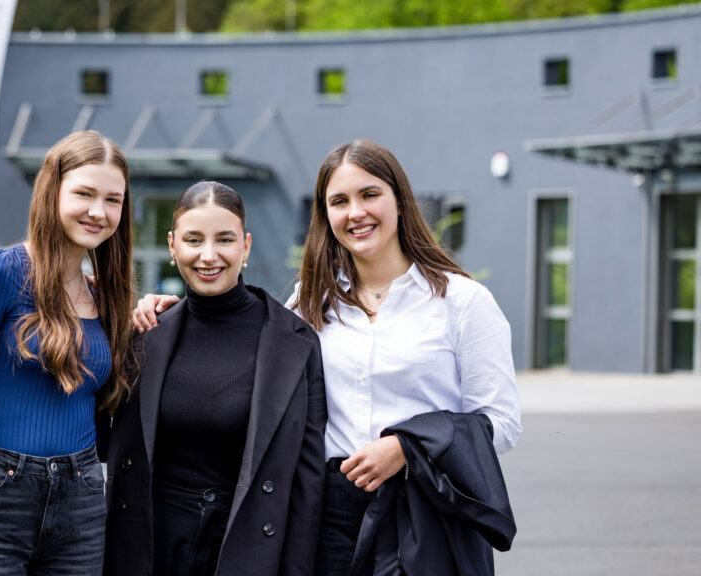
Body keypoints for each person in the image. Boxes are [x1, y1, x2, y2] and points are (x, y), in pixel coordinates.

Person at [133, 140, 521, 575]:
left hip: (424, 506)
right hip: (329, 512)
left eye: (369, 194)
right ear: (326, 214)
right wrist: (165, 310)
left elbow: (501, 422)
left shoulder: (463, 301)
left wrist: (407, 448)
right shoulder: (310, 302)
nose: (356, 212)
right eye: (339, 201)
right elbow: (232, 335)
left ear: (399, 200)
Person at [0, 130, 133, 576]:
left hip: (81, 503)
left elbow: (101, 416)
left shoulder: (106, 297)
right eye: (84, 193)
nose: (99, 211)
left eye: (113, 199)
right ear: (52, 190)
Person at [105, 181, 327, 576]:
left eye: (224, 239)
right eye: (193, 240)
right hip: (151, 548)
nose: (208, 256)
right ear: (173, 247)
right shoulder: (144, 333)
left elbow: (307, 482)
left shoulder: (295, 343)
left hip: (246, 548)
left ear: (246, 245)